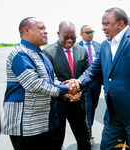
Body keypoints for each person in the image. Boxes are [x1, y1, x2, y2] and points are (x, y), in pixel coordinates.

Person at [76, 7, 130, 150]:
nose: (103, 28)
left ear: (120, 23)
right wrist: (78, 82)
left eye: (106, 24)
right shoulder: (105, 45)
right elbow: (94, 69)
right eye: (102, 24)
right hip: (113, 115)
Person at [2, 17, 78, 150]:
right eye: (41, 28)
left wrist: (66, 89)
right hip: (25, 123)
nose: (46, 32)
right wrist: (65, 89)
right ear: (26, 31)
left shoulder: (40, 54)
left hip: (43, 121)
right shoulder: (20, 53)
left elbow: (51, 80)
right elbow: (34, 84)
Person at [43, 21, 91, 150]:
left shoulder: (82, 51)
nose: (70, 40)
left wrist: (79, 90)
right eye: (66, 37)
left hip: (79, 102)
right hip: (58, 105)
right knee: (56, 140)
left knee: (84, 138)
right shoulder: (48, 53)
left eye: (73, 37)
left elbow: (87, 74)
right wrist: (67, 93)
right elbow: (49, 79)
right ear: (58, 34)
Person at [76, 25, 102, 139]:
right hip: (84, 82)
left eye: (92, 32)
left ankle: (88, 130)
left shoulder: (99, 46)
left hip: (96, 82)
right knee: (87, 108)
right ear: (81, 34)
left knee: (94, 106)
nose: (90, 34)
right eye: (87, 32)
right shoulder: (76, 47)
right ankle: (88, 132)